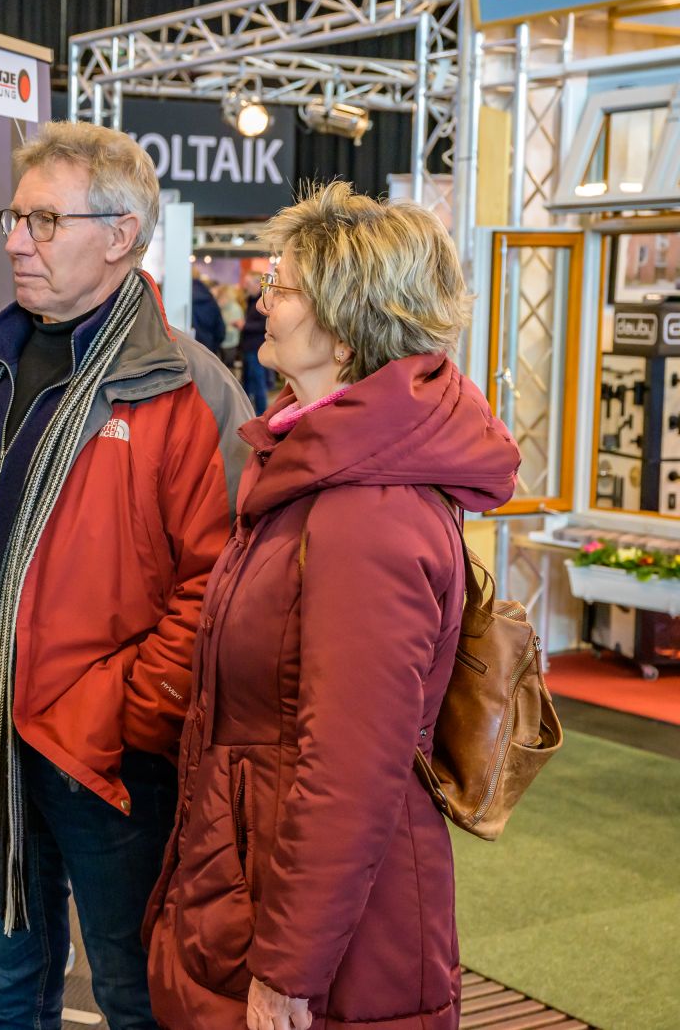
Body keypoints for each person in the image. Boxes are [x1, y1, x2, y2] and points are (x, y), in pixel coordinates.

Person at [0, 120, 251, 1030]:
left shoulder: (185, 387)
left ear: (120, 235)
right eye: (15, 217)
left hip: (107, 760)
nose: (14, 240)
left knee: (135, 993)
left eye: (44, 221)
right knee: (11, 987)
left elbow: (221, 585)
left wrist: (128, 710)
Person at [145, 182, 521, 1030]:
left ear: (346, 328)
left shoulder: (364, 511)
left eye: (280, 286)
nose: (262, 301)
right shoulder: (319, 467)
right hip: (265, 884)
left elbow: (349, 770)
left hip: (327, 939)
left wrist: (289, 968)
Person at [237, 267, 269, 412]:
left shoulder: (264, 302)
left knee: (258, 383)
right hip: (249, 347)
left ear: (258, 284)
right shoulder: (250, 300)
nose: (246, 287)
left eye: (249, 283)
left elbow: (264, 325)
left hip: (257, 348)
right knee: (249, 382)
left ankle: (261, 414)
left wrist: (245, 325)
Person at [190, 271, 225, 357]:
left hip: (186, 348)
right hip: (207, 348)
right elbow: (220, 330)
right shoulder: (210, 299)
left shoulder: (180, 296)